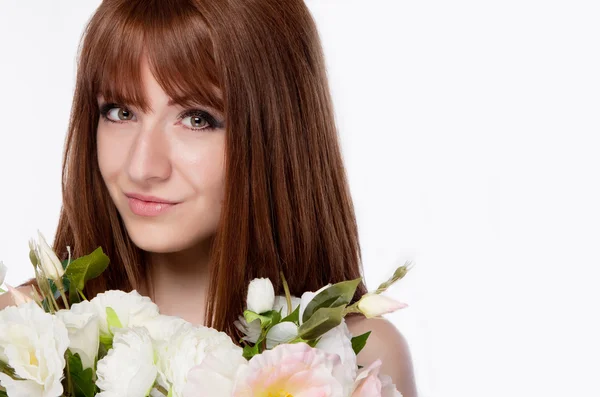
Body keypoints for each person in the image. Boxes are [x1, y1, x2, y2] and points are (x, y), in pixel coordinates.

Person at [1, 0, 417, 395]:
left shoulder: (357, 362)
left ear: (277, 134)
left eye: (196, 119)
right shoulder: (20, 337)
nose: (141, 166)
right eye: (121, 112)